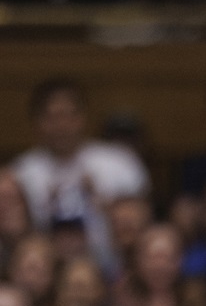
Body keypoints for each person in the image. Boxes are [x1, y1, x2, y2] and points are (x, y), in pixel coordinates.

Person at [12, 78, 151, 276]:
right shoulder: (21, 173)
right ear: (37, 122)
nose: (61, 125)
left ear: (83, 117)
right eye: (52, 117)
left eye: (68, 115)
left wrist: (105, 206)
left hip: (116, 273)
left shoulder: (121, 164)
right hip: (46, 278)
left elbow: (145, 228)